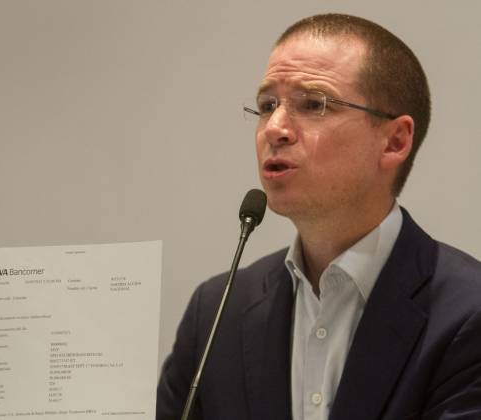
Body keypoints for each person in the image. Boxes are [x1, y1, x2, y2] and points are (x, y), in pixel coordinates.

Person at [156, 13, 481, 420]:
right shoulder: (216, 312)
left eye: (313, 104)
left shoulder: (469, 313)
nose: (275, 128)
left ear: (394, 141)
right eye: (267, 106)